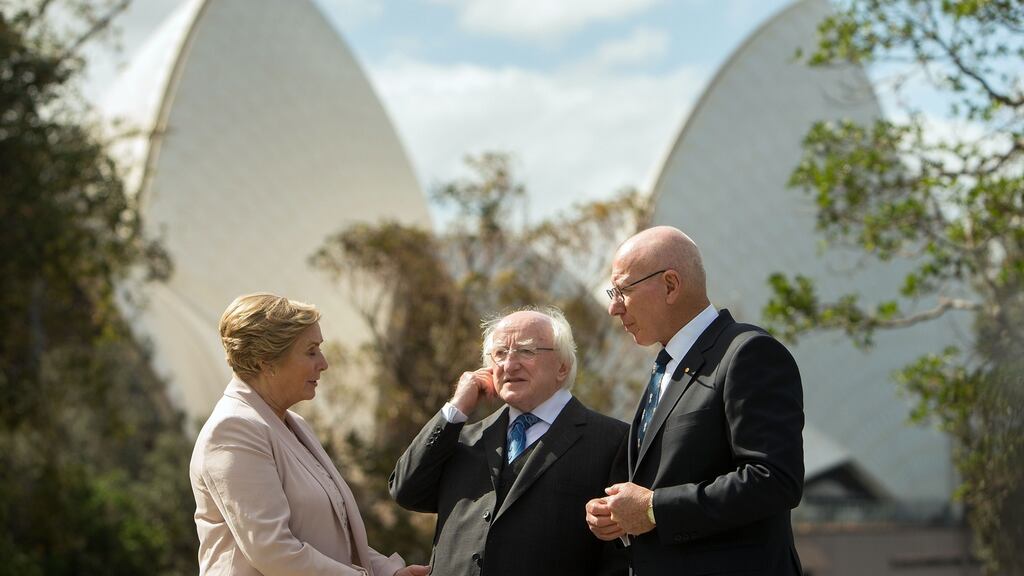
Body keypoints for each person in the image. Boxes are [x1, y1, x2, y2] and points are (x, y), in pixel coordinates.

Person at [585, 226, 804, 575]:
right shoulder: (665, 368)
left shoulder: (748, 353)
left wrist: (655, 508)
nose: (613, 307)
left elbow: (774, 479)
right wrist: (617, 513)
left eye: (623, 290)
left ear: (670, 285)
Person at [190, 293, 429, 576]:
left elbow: (329, 539)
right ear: (266, 362)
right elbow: (274, 551)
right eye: (311, 351)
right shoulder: (233, 431)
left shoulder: (295, 425)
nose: (324, 363)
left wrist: (387, 572)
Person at [390, 307, 629, 576]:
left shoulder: (614, 440)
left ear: (562, 367)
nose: (509, 364)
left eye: (526, 351)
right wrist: (456, 409)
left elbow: (619, 557)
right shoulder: (463, 437)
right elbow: (406, 491)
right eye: (500, 353)